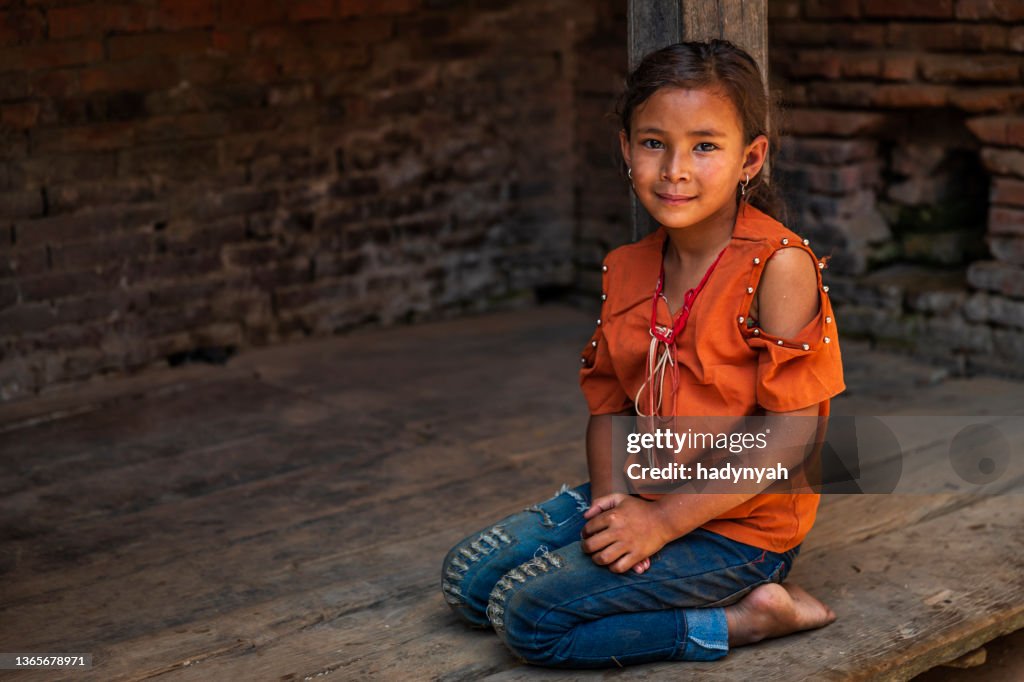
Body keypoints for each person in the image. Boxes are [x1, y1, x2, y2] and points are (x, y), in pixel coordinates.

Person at [440, 39, 845, 669]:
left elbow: (792, 437)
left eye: (705, 145)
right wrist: (613, 511)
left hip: (739, 524)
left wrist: (660, 525)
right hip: (646, 486)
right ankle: (629, 564)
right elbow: (609, 405)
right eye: (654, 142)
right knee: (466, 585)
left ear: (751, 157)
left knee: (528, 619)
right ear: (626, 149)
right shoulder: (629, 267)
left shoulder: (777, 267)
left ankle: (745, 618)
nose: (675, 168)